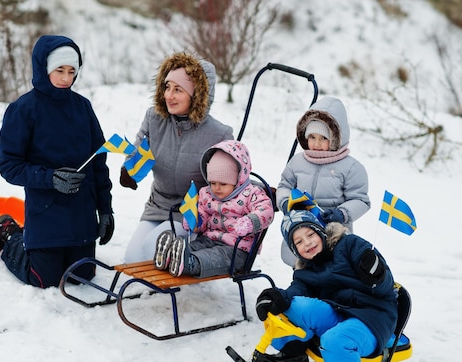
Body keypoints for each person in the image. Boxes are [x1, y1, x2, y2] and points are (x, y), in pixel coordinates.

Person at [0, 35, 114, 289]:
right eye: (59, 70)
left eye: (72, 71)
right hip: (47, 212)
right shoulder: (24, 109)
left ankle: (37, 240)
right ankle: (9, 233)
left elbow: (98, 162)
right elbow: (9, 166)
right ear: (44, 67)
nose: (66, 78)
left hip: (81, 215)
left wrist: (105, 210)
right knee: (44, 279)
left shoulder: (83, 108)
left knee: (82, 276)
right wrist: (50, 178)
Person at [254, 210, 398, 362]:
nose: (308, 243)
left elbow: (385, 287)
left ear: (320, 232)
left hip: (372, 316)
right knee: (293, 305)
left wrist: (376, 275)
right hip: (341, 314)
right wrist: (277, 298)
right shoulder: (306, 270)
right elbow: (296, 292)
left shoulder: (350, 245)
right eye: (299, 242)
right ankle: (292, 354)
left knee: (336, 339)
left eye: (310, 235)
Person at [120, 52, 234, 263]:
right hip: (159, 204)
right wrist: (129, 168)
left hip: (190, 212)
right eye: (167, 87)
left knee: (150, 248)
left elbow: (231, 178)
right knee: (133, 258)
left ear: (196, 95)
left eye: (178, 90)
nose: (168, 95)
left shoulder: (219, 134)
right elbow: (137, 149)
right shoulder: (154, 118)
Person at [153, 141, 274, 277]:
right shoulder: (207, 193)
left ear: (238, 179)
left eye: (223, 183)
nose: (216, 188)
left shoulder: (251, 194)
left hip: (237, 250)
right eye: (212, 182)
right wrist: (196, 221)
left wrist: (251, 221)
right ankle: (171, 255)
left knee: (213, 257)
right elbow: (203, 212)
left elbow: (266, 211)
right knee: (194, 246)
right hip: (209, 239)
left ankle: (189, 263)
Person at [276, 96, 370, 267]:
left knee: (331, 272)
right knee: (302, 270)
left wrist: (341, 213)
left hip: (333, 235)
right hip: (302, 232)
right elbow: (285, 185)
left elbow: (361, 200)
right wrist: (286, 203)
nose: (316, 143)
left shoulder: (351, 167)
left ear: (336, 138)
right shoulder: (298, 162)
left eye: (323, 138)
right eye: (311, 137)